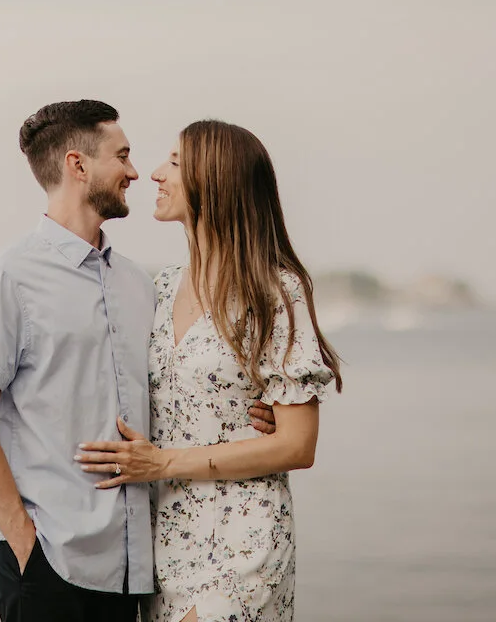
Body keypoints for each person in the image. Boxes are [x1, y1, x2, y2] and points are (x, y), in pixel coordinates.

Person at [0, 102, 276, 622]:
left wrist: (253, 412)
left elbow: (183, 385)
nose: (134, 172)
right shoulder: (6, 277)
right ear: (77, 165)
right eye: (122, 156)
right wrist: (24, 546)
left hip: (135, 569)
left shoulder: (141, 284)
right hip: (49, 560)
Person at [76, 119, 344, 622]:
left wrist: (161, 463)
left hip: (242, 541)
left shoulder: (275, 294)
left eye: (175, 163)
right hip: (162, 547)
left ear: (214, 181)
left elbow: (297, 445)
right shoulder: (157, 287)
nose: (155, 173)